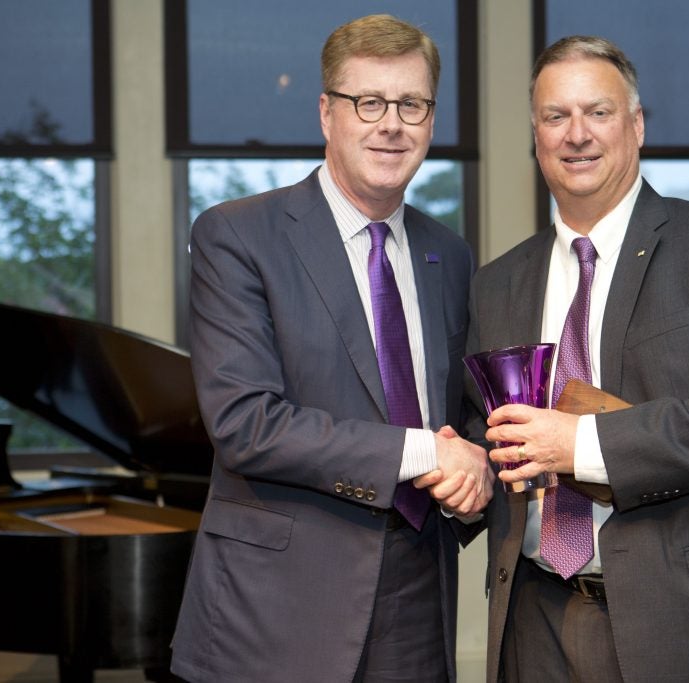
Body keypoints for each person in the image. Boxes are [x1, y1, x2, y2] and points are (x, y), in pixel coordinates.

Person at [463, 35, 689, 682]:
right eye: (555, 116)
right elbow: (483, 431)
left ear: (637, 124)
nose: (577, 134)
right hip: (534, 618)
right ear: (535, 135)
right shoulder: (497, 283)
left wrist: (585, 443)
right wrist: (459, 464)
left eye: (598, 112)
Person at [169, 14, 492, 683]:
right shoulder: (238, 236)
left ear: (432, 119)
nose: (391, 124)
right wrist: (431, 451)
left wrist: (475, 472)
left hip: (416, 602)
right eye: (368, 102)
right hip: (276, 610)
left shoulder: (450, 255)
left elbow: (462, 416)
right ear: (326, 112)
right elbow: (246, 424)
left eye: (412, 104)